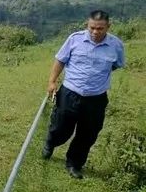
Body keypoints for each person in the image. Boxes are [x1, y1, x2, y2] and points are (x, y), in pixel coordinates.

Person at [42, 10, 125, 179]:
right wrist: (52, 82)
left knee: (88, 134)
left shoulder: (116, 45)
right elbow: (60, 60)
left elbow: (116, 65)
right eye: (92, 28)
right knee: (61, 126)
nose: (95, 32)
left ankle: (74, 163)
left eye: (100, 28)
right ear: (87, 25)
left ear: (108, 27)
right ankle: (51, 142)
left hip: (96, 98)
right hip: (70, 93)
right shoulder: (75, 39)